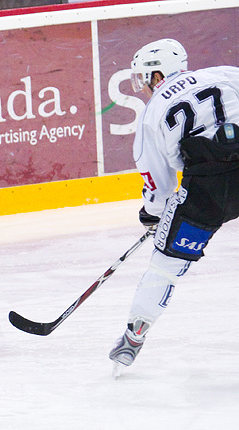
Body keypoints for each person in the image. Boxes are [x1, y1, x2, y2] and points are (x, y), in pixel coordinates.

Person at [109, 38, 239, 374]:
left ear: (156, 74)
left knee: (166, 265)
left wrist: (153, 214)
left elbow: (159, 183)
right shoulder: (223, 74)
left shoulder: (152, 115)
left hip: (207, 193)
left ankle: (133, 336)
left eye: (143, 78)